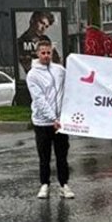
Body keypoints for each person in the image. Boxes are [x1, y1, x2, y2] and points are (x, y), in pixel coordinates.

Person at [28, 38, 73, 199]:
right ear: (38, 53)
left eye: (48, 53)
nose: (46, 56)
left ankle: (64, 185)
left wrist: (62, 117)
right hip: (43, 122)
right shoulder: (32, 75)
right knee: (44, 156)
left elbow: (72, 85)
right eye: (43, 53)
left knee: (62, 155)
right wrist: (52, 118)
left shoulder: (60, 70)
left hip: (61, 122)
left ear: (52, 53)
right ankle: (44, 184)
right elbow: (39, 99)